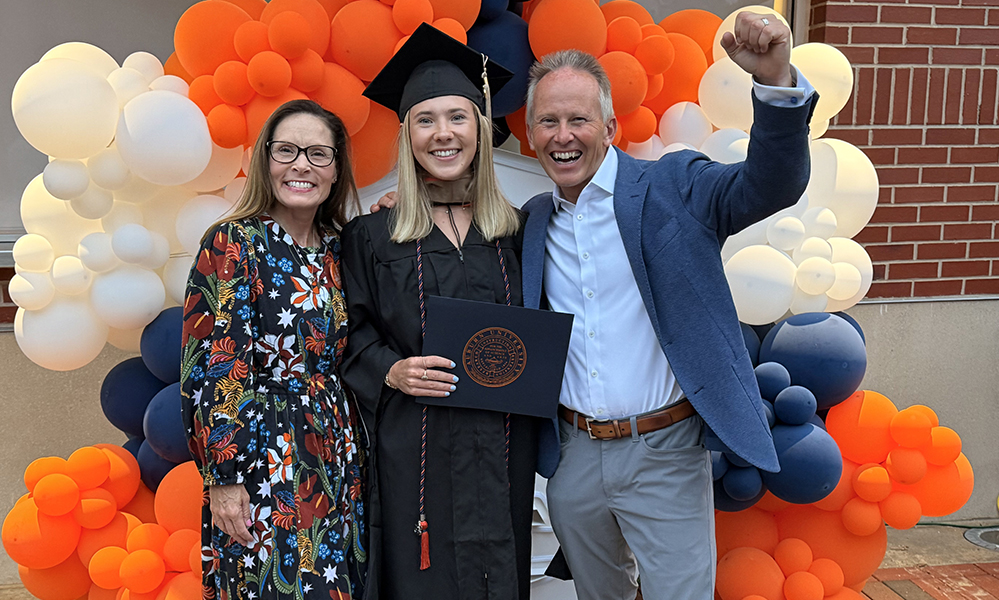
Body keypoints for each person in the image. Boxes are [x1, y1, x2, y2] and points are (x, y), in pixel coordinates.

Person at [518, 13, 817, 600]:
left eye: (578, 119)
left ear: (608, 125)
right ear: (529, 134)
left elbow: (770, 184)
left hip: (663, 450)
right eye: (547, 121)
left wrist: (776, 82)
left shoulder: (674, 185)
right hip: (573, 457)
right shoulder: (531, 224)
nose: (562, 135)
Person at [339, 24, 539, 600]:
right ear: (407, 135)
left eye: (458, 117)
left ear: (481, 126)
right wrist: (390, 370)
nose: (443, 133)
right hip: (416, 441)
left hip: (503, 444)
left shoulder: (520, 231)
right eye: (426, 120)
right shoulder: (372, 235)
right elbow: (348, 333)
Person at [181, 99, 366, 599]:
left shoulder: (341, 247)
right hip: (262, 453)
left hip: (335, 451)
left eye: (317, 154)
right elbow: (216, 367)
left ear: (336, 169)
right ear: (265, 160)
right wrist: (223, 476)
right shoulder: (232, 243)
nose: (301, 164)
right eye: (286, 150)